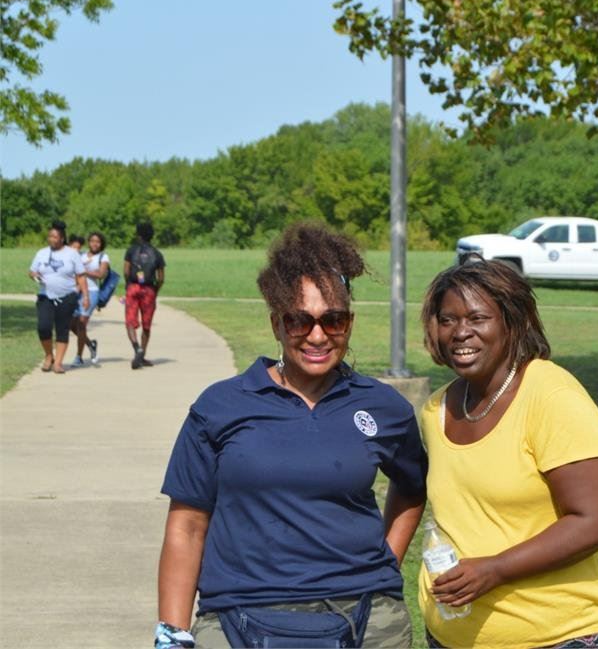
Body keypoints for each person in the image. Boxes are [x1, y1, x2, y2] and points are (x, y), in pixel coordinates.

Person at [156, 222, 427, 649]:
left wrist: (383, 566)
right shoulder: (220, 406)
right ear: (276, 324)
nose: (317, 335)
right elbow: (187, 526)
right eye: (299, 321)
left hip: (367, 623)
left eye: (332, 320)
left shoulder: (383, 408)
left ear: (349, 323)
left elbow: (412, 488)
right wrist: (172, 634)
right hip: (238, 621)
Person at [417, 257, 598, 648]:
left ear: (513, 322)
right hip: (451, 635)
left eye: (478, 318)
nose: (461, 332)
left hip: (558, 635)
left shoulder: (551, 396)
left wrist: (495, 570)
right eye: (448, 320)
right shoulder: (437, 408)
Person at [28, 220, 89, 375]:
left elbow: (81, 276)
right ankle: (49, 356)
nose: (51, 239)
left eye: (55, 237)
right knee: (43, 327)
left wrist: (86, 296)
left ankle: (59, 363)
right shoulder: (41, 253)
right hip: (45, 296)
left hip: (67, 297)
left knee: (62, 329)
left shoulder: (72, 254)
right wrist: (34, 275)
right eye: (50, 236)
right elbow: (31, 271)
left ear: (62, 238)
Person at [123, 222, 166, 369]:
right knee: (146, 325)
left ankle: (137, 349)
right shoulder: (157, 253)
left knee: (130, 321)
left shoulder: (131, 250)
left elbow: (126, 271)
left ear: (138, 234)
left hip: (133, 287)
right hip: (149, 290)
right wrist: (155, 291)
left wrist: (128, 284)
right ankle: (142, 353)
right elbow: (161, 278)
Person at [69, 231, 109, 367]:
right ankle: (91, 344)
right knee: (71, 325)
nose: (95, 243)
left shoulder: (103, 257)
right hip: (77, 291)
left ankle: (78, 357)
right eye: (92, 241)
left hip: (92, 292)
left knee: (81, 323)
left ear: (101, 243)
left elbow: (101, 274)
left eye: (97, 241)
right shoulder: (81, 255)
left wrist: (84, 271)